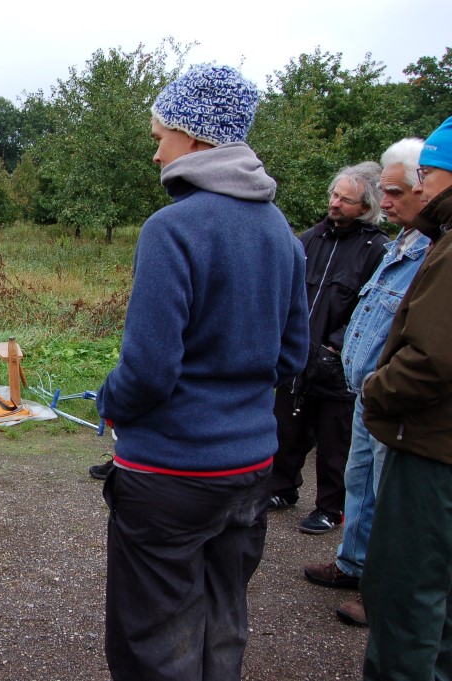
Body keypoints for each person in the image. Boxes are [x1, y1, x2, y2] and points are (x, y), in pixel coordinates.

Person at [95, 64, 308, 680]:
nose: (155, 148)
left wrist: (110, 399)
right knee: (222, 623)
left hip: (170, 475)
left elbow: (148, 371)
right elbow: (292, 358)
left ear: (195, 138)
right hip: (250, 468)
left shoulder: (172, 229)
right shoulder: (283, 235)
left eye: (160, 133)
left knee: (155, 642)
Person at [302, 139, 428, 627]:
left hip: (389, 396)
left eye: (394, 190)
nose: (387, 200)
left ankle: (382, 593)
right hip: (366, 392)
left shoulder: (427, 249)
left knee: (390, 497)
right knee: (362, 484)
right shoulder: (403, 243)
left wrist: (372, 376)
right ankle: (353, 564)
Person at [359, 115, 452, 679]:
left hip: (433, 450)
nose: (420, 188)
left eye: (427, 174)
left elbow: (433, 358)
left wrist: (375, 389)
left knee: (406, 591)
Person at [268, 163, 390, 534]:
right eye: (334, 195)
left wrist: (336, 348)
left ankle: (330, 507)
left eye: (345, 199)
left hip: (337, 361)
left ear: (366, 205)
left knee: (334, 440)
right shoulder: (310, 239)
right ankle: (282, 487)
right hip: (298, 353)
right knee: (287, 426)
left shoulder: (376, 249)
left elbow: (370, 309)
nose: (335, 203)